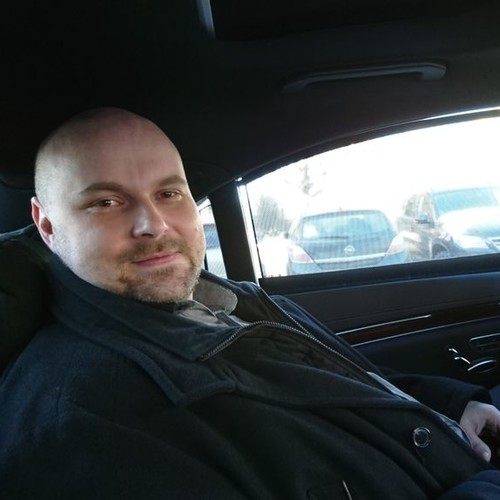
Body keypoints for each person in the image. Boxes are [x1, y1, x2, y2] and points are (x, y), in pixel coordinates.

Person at [0, 107, 500, 499]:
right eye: (106, 202)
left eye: (169, 193)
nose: (154, 224)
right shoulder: (85, 430)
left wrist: (450, 405)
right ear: (47, 225)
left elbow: (351, 383)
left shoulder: (233, 303)